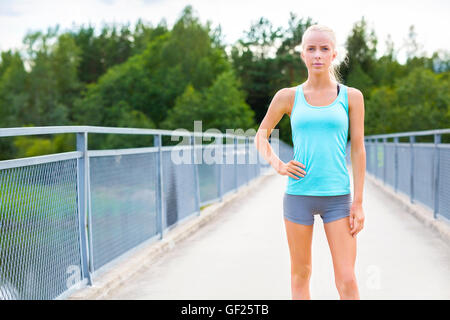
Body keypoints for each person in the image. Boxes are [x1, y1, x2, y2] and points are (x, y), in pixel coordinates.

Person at [254, 24, 366, 300]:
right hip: (298, 195)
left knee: (347, 280)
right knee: (300, 275)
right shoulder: (287, 97)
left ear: (334, 55)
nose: (318, 54)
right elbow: (260, 135)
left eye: (324, 49)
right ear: (302, 55)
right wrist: (278, 164)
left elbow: (358, 150)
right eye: (311, 49)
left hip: (338, 197)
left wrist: (359, 202)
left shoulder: (351, 97)